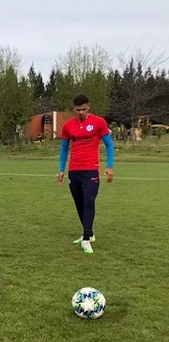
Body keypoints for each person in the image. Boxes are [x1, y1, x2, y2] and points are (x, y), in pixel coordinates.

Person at [57, 94, 114, 254]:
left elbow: (109, 145)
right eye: (77, 110)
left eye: (83, 109)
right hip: (73, 170)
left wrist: (110, 166)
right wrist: (61, 169)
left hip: (91, 170)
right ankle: (89, 232)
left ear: (89, 107)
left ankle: (86, 238)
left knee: (89, 200)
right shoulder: (68, 125)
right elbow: (63, 149)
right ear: (73, 109)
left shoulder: (99, 122)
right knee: (80, 203)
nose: (81, 112)